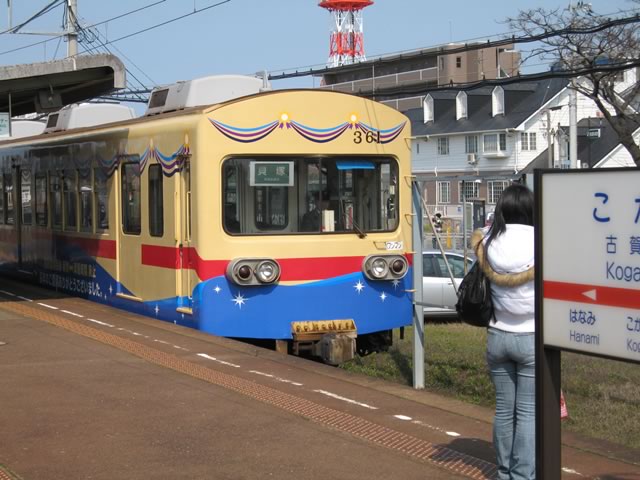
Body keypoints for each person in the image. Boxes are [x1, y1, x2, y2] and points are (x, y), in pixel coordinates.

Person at [471, 184, 535, 480]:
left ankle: (504, 472)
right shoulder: (541, 241)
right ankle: (523, 476)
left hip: (497, 336)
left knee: (504, 411)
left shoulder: (488, 241)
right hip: (531, 336)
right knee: (527, 413)